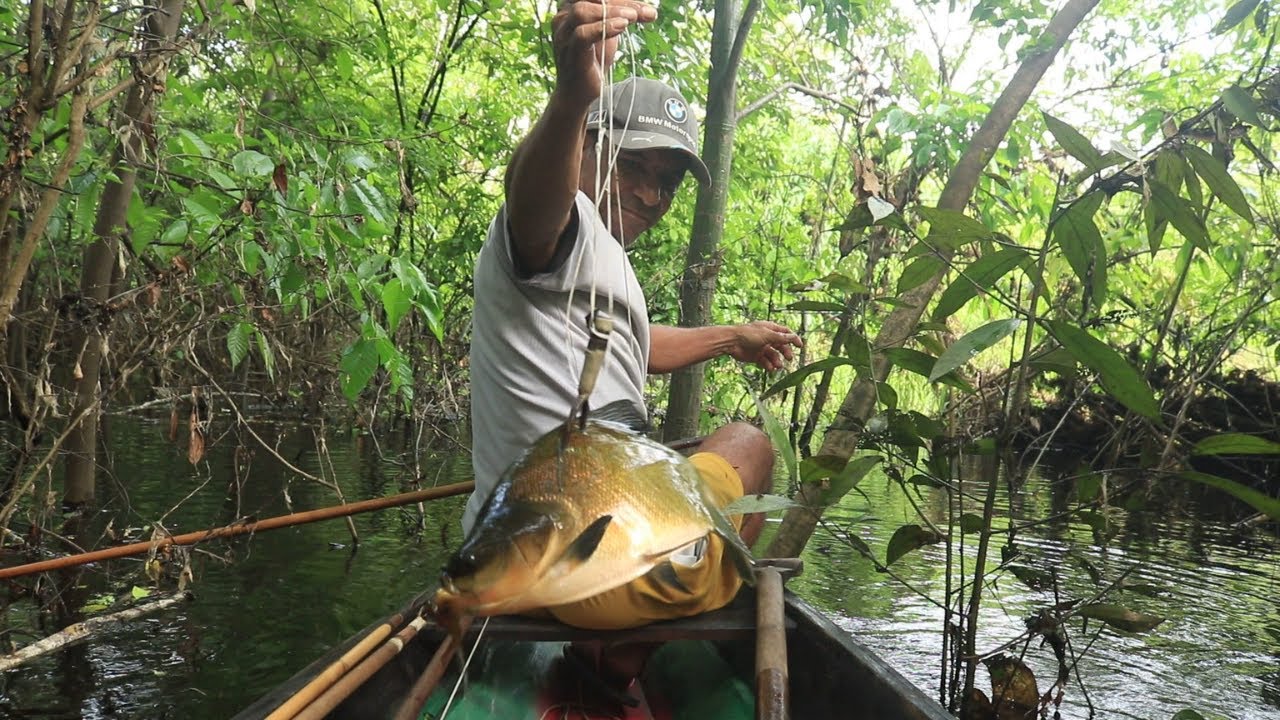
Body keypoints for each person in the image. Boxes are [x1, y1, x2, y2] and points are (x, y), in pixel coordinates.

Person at [466, 0, 802, 704]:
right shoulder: (558, 228)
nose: (652, 194)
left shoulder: (604, 264)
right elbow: (530, 198)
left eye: (668, 182)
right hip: (566, 553)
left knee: (731, 455)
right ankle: (624, 654)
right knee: (746, 447)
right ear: (590, 146)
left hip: (536, 556)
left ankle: (617, 638)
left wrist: (730, 337)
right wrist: (572, 95)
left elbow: (640, 350)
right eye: (636, 167)